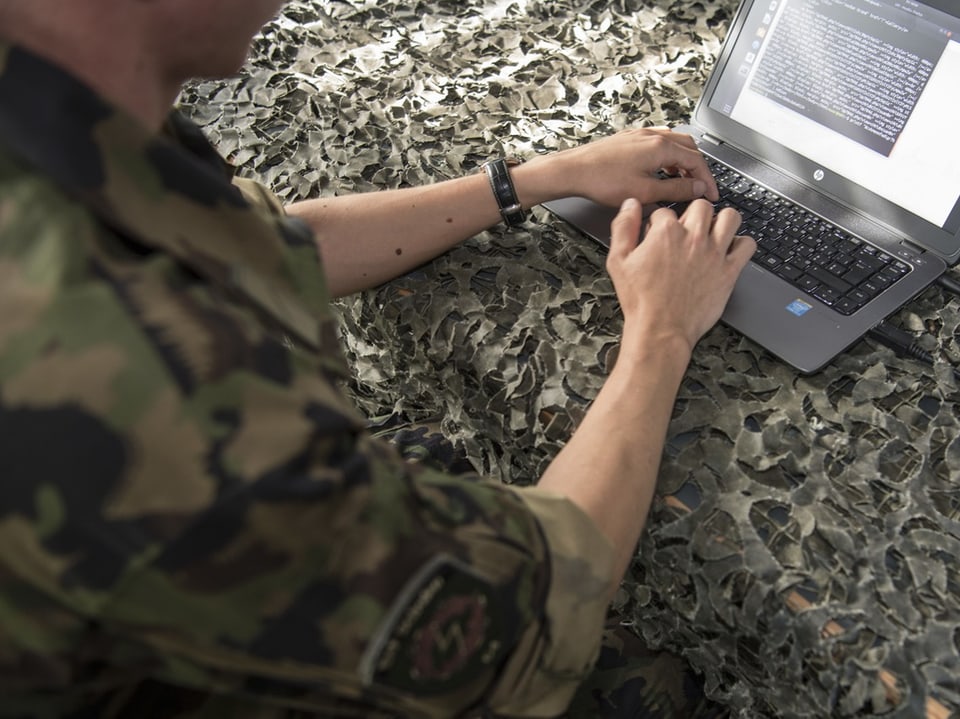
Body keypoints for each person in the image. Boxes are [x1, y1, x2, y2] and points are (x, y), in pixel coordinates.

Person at [0, 0, 755, 717]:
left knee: (442, 460)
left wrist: (535, 178)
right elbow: (533, 617)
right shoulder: (138, 378)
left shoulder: (46, 103)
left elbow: (268, 242)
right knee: (658, 667)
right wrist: (661, 330)